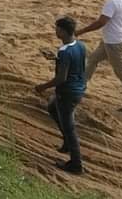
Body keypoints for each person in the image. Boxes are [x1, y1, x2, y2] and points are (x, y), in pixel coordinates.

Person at [35, 16, 87, 175]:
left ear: (63, 31)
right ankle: (66, 143)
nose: (55, 31)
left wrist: (42, 87)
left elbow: (61, 78)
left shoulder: (64, 51)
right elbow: (74, 64)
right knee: (52, 108)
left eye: (57, 28)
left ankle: (76, 164)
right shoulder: (80, 45)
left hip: (67, 92)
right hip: (78, 88)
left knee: (70, 128)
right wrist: (55, 58)